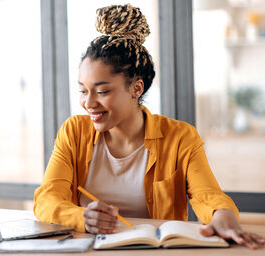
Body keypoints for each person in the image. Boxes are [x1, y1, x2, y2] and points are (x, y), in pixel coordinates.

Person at [33, 4, 265, 249]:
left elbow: (207, 195)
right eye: (83, 90)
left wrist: (223, 214)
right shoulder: (73, 132)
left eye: (101, 91)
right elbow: (47, 199)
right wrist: (81, 218)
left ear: (136, 88)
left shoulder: (180, 137)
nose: (88, 103)